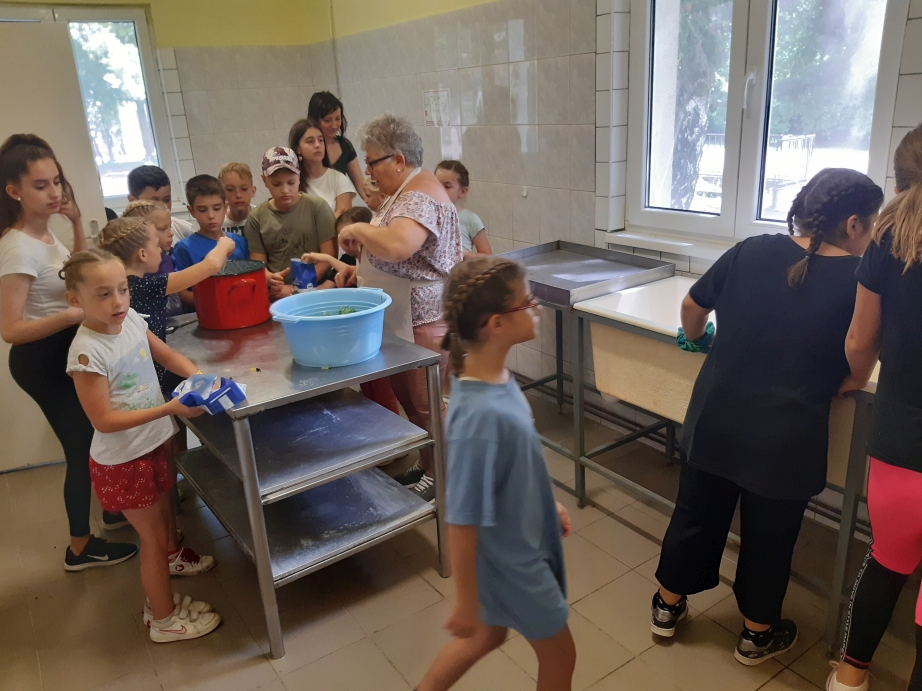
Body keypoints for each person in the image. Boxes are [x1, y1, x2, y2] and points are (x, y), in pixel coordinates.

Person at [650, 169, 884, 666]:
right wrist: (845, 381)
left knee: (695, 515)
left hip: (715, 420)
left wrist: (699, 339)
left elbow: (692, 307)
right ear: (853, 224)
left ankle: (667, 607)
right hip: (785, 439)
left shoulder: (751, 249)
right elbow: (859, 355)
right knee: (769, 537)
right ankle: (756, 635)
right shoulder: (859, 279)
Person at [416, 257, 575, 691]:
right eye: (528, 301)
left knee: (487, 636)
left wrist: (547, 503)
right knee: (561, 654)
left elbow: (516, 462)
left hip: (514, 541)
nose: (536, 307)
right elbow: (461, 517)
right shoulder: (478, 418)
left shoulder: (496, 378)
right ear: (496, 324)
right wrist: (465, 601)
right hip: (514, 562)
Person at [63, 248, 221, 642]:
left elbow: (165, 355)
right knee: (151, 539)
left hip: (151, 441)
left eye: (123, 289)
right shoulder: (87, 352)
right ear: (75, 299)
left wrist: (199, 377)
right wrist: (170, 407)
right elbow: (103, 420)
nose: (118, 301)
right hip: (123, 460)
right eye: (103, 294)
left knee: (165, 515)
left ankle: (169, 571)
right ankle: (163, 620)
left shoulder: (130, 318)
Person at [0, 134, 137, 567]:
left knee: (95, 437)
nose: (54, 192)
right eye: (41, 185)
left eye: (56, 181)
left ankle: (111, 511)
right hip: (39, 361)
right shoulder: (17, 247)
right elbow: (10, 330)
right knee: (81, 447)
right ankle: (80, 547)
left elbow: (71, 277)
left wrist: (76, 226)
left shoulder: (43, 236)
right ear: (14, 191)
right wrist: (74, 314)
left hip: (60, 353)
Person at [830, 125, 922, 691]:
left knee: (886, 561)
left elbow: (860, 340)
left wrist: (856, 377)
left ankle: (848, 679)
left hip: (899, 443)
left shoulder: (888, 237)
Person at [335, 113, 462, 503]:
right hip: (404, 318)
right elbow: (394, 246)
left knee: (427, 406)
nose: (368, 172)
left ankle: (445, 478)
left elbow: (397, 246)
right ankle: (427, 463)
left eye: (372, 162)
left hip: (422, 319)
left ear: (399, 160)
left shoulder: (419, 196)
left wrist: (356, 229)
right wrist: (361, 264)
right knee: (412, 403)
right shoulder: (406, 191)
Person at [245, 147, 336, 300]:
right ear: (264, 180)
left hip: (316, 292)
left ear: (299, 176)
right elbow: (258, 265)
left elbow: (328, 257)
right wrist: (271, 279)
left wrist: (297, 288)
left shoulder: (317, 207)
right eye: (276, 184)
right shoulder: (256, 218)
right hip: (278, 295)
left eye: (291, 182)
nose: (285, 190)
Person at [173, 175, 248, 271]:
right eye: (202, 210)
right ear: (192, 211)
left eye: (217, 208)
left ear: (225, 207)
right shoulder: (184, 248)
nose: (211, 216)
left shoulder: (239, 242)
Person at [123, 200, 182, 318]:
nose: (171, 233)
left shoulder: (169, 256)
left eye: (169, 227)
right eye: (162, 229)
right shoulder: (136, 276)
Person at [289, 118, 356, 218]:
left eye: (321, 140)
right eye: (310, 141)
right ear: (298, 149)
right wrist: (331, 218)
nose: (317, 145)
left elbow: (344, 222)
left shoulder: (339, 179)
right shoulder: (291, 182)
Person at [308, 91, 366, 202]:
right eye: (327, 120)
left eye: (338, 119)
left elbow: (362, 187)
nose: (334, 125)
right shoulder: (305, 149)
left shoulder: (345, 146)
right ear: (314, 120)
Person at [435, 160, 492, 259]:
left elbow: (487, 256)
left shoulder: (470, 219)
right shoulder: (427, 215)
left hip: (460, 268)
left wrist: (463, 255)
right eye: (436, 184)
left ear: (462, 192)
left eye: (447, 186)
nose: (439, 190)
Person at [127, 165, 194, 246]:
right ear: (132, 201)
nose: (163, 206)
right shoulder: (124, 241)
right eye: (154, 202)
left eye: (167, 200)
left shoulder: (184, 230)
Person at [218, 162, 257, 236]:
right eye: (230, 189)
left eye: (244, 189)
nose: (238, 195)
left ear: (253, 191)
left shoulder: (262, 218)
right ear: (222, 193)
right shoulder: (218, 223)